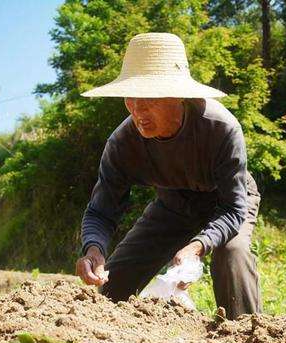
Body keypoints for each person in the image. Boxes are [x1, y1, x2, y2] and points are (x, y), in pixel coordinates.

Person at [75, 32, 261, 319]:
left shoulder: (220, 128)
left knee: (232, 254)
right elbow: (101, 211)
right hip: (174, 203)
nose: (137, 110)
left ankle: (248, 336)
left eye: (148, 99)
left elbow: (234, 208)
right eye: (131, 98)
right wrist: (93, 248)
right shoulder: (123, 143)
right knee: (114, 284)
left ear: (178, 96)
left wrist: (197, 246)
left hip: (227, 202)